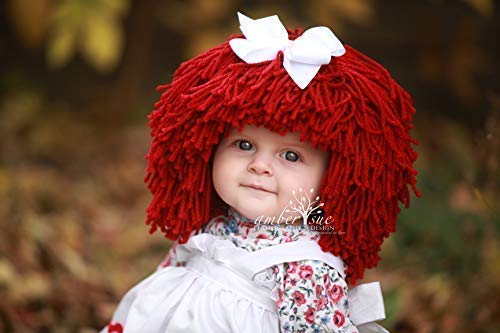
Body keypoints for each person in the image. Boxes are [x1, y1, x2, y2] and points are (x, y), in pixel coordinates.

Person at [101, 12, 420, 333]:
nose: (260, 165)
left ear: (333, 178)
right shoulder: (211, 226)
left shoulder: (306, 268)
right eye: (243, 145)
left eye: (291, 155)